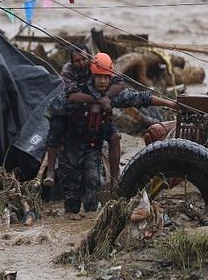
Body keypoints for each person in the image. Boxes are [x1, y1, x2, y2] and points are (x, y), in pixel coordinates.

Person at [57, 52, 178, 219]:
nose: (102, 81)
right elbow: (56, 115)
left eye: (106, 77)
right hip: (71, 147)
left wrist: (170, 103)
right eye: (99, 77)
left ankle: (96, 210)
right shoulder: (77, 92)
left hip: (92, 146)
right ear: (91, 74)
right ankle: (71, 218)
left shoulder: (110, 95)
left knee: (93, 181)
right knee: (71, 197)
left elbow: (140, 98)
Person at [43, 45, 124, 187]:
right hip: (69, 109)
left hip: (93, 110)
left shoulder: (97, 63)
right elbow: (73, 96)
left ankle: (115, 180)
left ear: (90, 57)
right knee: (56, 129)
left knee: (114, 136)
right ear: (72, 62)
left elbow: (119, 83)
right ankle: (50, 171)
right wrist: (99, 99)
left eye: (84, 59)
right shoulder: (68, 70)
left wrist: (105, 97)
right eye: (77, 60)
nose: (81, 63)